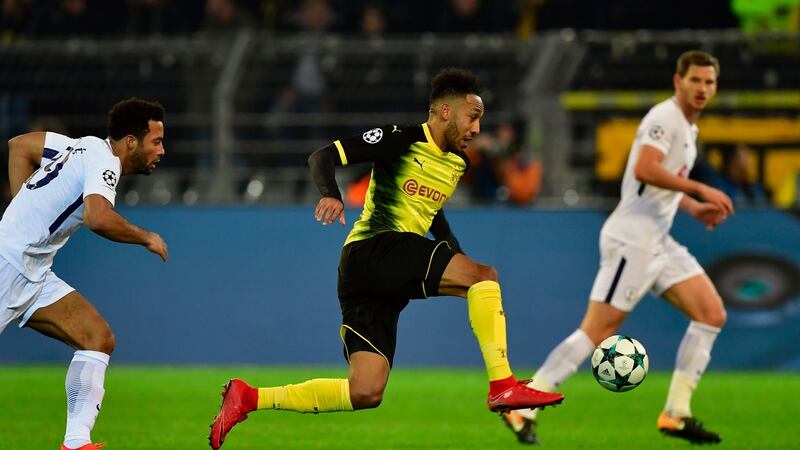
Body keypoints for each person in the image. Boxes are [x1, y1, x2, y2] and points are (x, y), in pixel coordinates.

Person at [208, 67, 565, 449]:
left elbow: (435, 220)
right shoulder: (401, 138)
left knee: (366, 391)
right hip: (374, 249)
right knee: (485, 276)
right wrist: (331, 193)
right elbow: (322, 156)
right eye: (473, 117)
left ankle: (249, 397)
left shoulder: (457, 163)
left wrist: (463, 267)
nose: (477, 129)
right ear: (445, 111)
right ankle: (503, 386)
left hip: (372, 275)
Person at [501, 50, 734, 445]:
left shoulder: (688, 129)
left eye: (709, 82)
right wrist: (699, 187)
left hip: (657, 238)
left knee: (711, 313)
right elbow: (644, 168)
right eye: (695, 80)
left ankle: (676, 413)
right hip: (633, 238)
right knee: (599, 329)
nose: (702, 88)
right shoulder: (665, 118)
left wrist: (692, 206)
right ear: (678, 82)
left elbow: (657, 181)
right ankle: (523, 404)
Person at [0, 98, 169, 450]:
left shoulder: (81, 146)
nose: (162, 150)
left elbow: (20, 147)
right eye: (156, 141)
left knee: (97, 337)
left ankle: (76, 442)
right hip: (7, 264)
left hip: (33, 271)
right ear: (131, 142)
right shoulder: (104, 162)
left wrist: (21, 206)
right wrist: (146, 237)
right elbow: (98, 217)